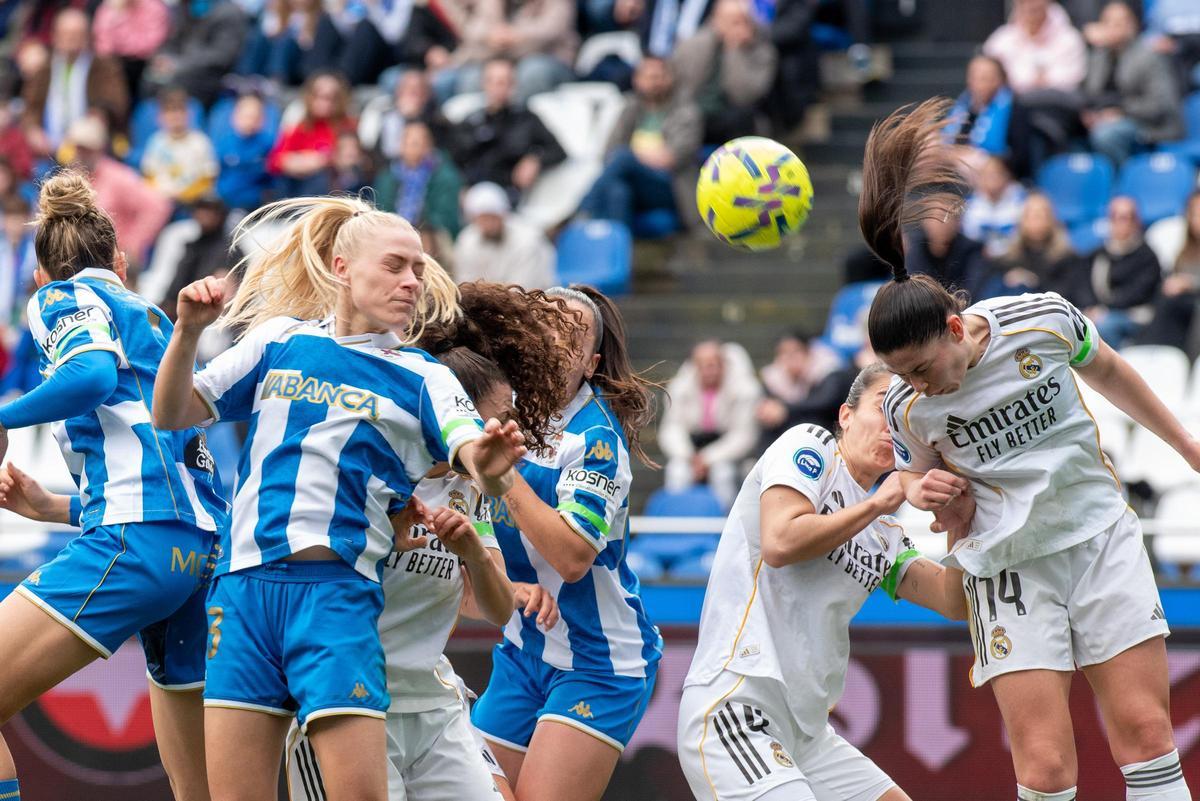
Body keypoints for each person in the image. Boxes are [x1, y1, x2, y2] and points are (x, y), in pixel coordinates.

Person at [861, 98, 1195, 801]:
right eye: (902, 376)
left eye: (922, 366)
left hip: (1097, 534)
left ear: (956, 327)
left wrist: (1186, 444)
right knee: (1044, 768)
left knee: (1145, 735)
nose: (916, 385)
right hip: (1006, 567)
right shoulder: (904, 403)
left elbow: (1113, 374)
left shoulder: (1039, 320)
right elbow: (929, 493)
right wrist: (930, 496)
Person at [152, 194, 528, 801]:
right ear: (341, 267)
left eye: (418, 269)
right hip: (242, 591)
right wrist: (188, 333)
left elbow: (477, 463)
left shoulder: (423, 375)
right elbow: (171, 413)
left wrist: (490, 462)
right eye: (395, 265)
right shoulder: (278, 342)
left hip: (336, 597)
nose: (411, 282)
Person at [0, 170, 230, 801]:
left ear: (43, 274)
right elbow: (168, 465)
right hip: (200, 553)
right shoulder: (155, 322)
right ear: (121, 262)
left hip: (135, 544)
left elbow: (92, 375)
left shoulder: (60, 297)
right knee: (198, 789)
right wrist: (52, 507)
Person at [677, 363, 970, 801]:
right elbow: (780, 540)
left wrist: (960, 525)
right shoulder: (809, 447)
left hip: (808, 733)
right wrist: (880, 503)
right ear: (846, 415)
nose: (893, 425)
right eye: (882, 407)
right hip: (738, 707)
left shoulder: (885, 536)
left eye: (905, 415)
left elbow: (953, 602)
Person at [472, 285, 662, 801]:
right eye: (544, 334)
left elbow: (573, 559)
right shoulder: (492, 409)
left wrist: (501, 478)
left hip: (599, 662)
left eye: (571, 342)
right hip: (522, 649)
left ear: (591, 364)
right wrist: (509, 587)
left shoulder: (595, 438)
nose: (554, 349)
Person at [577, 56, 702, 233]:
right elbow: (608, 153)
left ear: (670, 78)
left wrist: (632, 157)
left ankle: (584, 210)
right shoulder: (630, 108)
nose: (655, 82)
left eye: (659, 76)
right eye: (649, 77)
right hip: (635, 183)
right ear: (637, 80)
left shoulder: (685, 110)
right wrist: (637, 157)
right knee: (618, 191)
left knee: (623, 158)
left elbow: (672, 158)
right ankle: (619, 253)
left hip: (671, 186)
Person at [659, 339, 762, 509]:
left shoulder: (745, 389)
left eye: (713, 364)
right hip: (691, 451)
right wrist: (689, 456)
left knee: (723, 475)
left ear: (723, 364)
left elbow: (744, 436)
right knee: (676, 472)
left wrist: (708, 459)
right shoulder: (679, 388)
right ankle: (677, 521)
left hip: (729, 457)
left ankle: (724, 525)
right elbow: (672, 429)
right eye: (702, 365)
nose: (709, 371)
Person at [62, 115, 173, 274]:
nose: (82, 153)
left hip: (111, 264)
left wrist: (133, 245)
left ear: (99, 148)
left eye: (87, 148)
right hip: (75, 261)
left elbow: (158, 206)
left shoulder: (118, 177)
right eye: (79, 147)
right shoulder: (69, 179)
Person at [446, 58, 566, 202]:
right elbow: (453, 158)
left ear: (513, 85)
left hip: (509, 193)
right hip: (473, 192)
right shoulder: (472, 121)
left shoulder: (526, 119)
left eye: (505, 82)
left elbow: (558, 151)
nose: (499, 88)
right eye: (494, 82)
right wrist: (460, 185)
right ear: (484, 84)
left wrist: (535, 159)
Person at [1081, 1, 1184, 166]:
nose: (1113, 28)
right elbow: (1089, 93)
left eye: (1120, 22)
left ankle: (1125, 182)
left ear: (1133, 25)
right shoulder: (1098, 57)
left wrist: (1121, 112)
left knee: (1107, 135)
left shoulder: (1148, 56)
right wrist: (1088, 114)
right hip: (1105, 119)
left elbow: (1160, 104)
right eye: (1108, 22)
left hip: (1148, 125)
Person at [21, 8, 130, 153]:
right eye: (65, 34)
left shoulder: (104, 67)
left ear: (87, 37)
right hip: (47, 148)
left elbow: (114, 103)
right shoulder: (43, 69)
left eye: (77, 34)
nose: (71, 39)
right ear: (55, 36)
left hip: (90, 148)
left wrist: (98, 117)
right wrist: (33, 130)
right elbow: (30, 107)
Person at [671, 0, 777, 145]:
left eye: (743, 21)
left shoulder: (762, 52)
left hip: (734, 114)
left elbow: (743, 96)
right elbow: (680, 86)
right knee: (684, 117)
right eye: (732, 21)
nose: (738, 27)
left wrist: (734, 51)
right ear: (715, 20)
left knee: (741, 117)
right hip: (695, 112)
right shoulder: (693, 45)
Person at [1062, 195, 1162, 348]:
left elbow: (1137, 293)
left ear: (1136, 221)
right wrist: (1091, 308)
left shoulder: (1147, 256)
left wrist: (1105, 309)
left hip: (1133, 315)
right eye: (1114, 217)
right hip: (1098, 312)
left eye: (1124, 217)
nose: (1118, 223)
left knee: (1104, 327)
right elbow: (1082, 286)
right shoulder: (1097, 254)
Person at [431, 0, 578, 104]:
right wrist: (491, 34)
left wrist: (517, 35)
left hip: (549, 57)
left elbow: (554, 28)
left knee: (532, 73)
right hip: (500, 58)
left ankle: (519, 133)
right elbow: (472, 28)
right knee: (470, 80)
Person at [267, 71, 356, 198]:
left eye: (331, 97)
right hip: (295, 184)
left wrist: (322, 160)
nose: (324, 103)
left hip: (330, 188)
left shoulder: (347, 125)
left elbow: (351, 158)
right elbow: (274, 161)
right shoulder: (300, 123)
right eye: (319, 96)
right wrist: (297, 161)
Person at [453, 182, 555, 289]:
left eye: (493, 217)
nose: (489, 224)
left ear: (503, 214)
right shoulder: (466, 242)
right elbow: (466, 285)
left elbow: (524, 290)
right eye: (483, 218)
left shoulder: (526, 240)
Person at [979, 191, 1079, 299]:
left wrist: (1034, 282)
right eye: (1030, 216)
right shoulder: (1007, 259)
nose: (1036, 221)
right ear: (1021, 220)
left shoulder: (1067, 259)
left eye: (1041, 216)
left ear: (1052, 220)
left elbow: (1067, 298)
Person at [373, 121, 463, 239]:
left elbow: (446, 217)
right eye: (406, 142)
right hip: (393, 234)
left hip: (431, 237)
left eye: (416, 143)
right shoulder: (387, 176)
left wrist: (421, 228)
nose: (410, 148)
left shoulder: (444, 176)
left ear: (428, 146)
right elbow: (381, 210)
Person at [141, 87, 219, 207]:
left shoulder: (200, 142)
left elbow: (208, 178)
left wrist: (185, 195)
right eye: (169, 112)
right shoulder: (156, 141)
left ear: (188, 114)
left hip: (192, 205)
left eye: (179, 111)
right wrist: (161, 195)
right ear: (160, 117)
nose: (175, 116)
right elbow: (148, 176)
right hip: (161, 204)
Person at [961, 156, 1026, 261]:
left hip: (1015, 257)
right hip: (981, 259)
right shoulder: (969, 204)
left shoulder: (1021, 199)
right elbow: (968, 237)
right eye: (986, 174)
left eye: (996, 174)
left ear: (1007, 175)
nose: (991, 179)